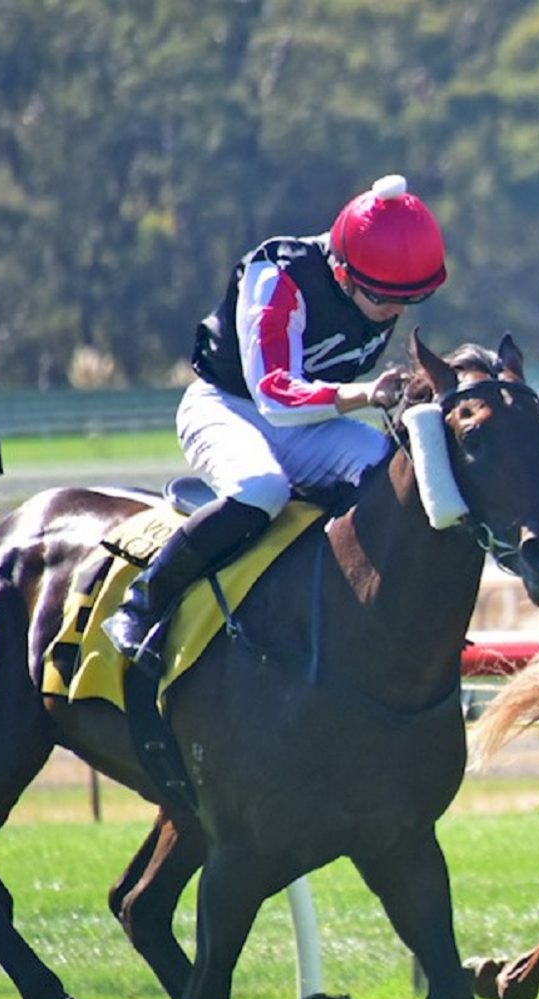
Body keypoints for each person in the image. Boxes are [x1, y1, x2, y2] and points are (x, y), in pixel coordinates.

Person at [103, 174, 448, 671]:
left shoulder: (377, 280)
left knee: (389, 471)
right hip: (227, 407)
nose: (395, 310)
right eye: (385, 297)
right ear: (346, 275)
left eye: (410, 300)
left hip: (307, 422)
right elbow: (274, 395)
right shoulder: (277, 276)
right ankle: (142, 604)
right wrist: (365, 394)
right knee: (263, 488)